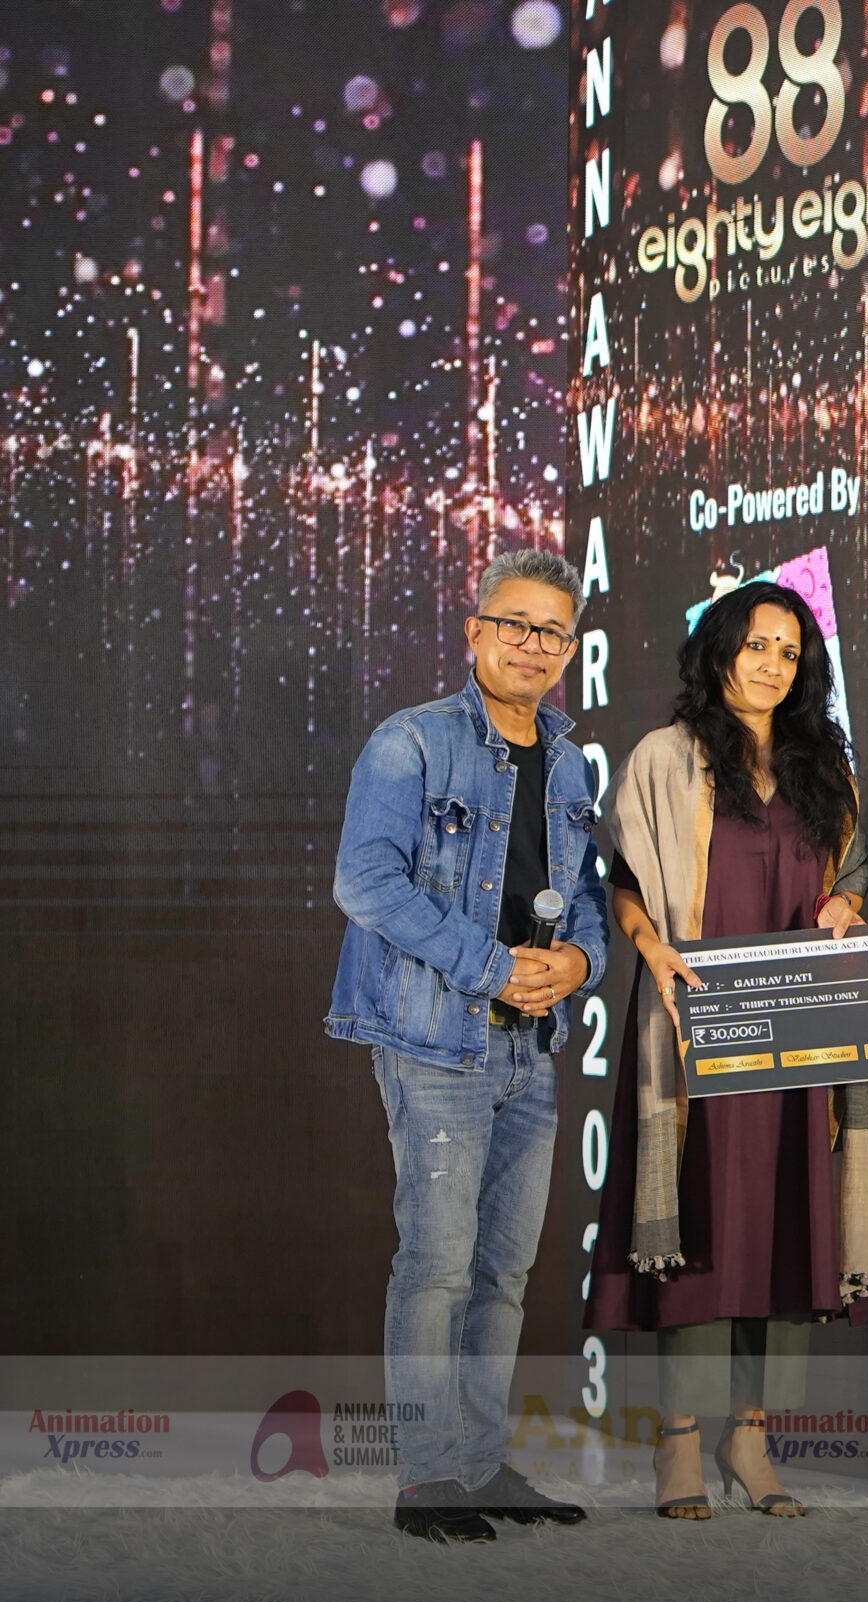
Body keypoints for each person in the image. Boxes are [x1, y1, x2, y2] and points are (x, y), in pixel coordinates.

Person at [584, 582, 868, 1521]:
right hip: (697, 1026)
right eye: (757, 644)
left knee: (791, 1225)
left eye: (790, 652)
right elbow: (623, 882)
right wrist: (651, 950)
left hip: (801, 1031)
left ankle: (751, 1437)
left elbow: (852, 878)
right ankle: (680, 1439)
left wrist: (845, 906)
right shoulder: (664, 757)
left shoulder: (825, 769)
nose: (772, 664)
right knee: (703, 1226)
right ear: (719, 650)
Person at [327, 549, 609, 1543]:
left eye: (553, 632)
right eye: (516, 624)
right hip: (435, 1039)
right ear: (475, 631)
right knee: (438, 1266)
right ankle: (428, 1478)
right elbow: (366, 883)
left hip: (531, 1046)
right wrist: (491, 967)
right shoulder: (411, 742)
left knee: (503, 1273)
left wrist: (577, 963)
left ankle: (485, 1465)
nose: (534, 645)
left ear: (567, 649)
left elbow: (587, 900)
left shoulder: (569, 762)